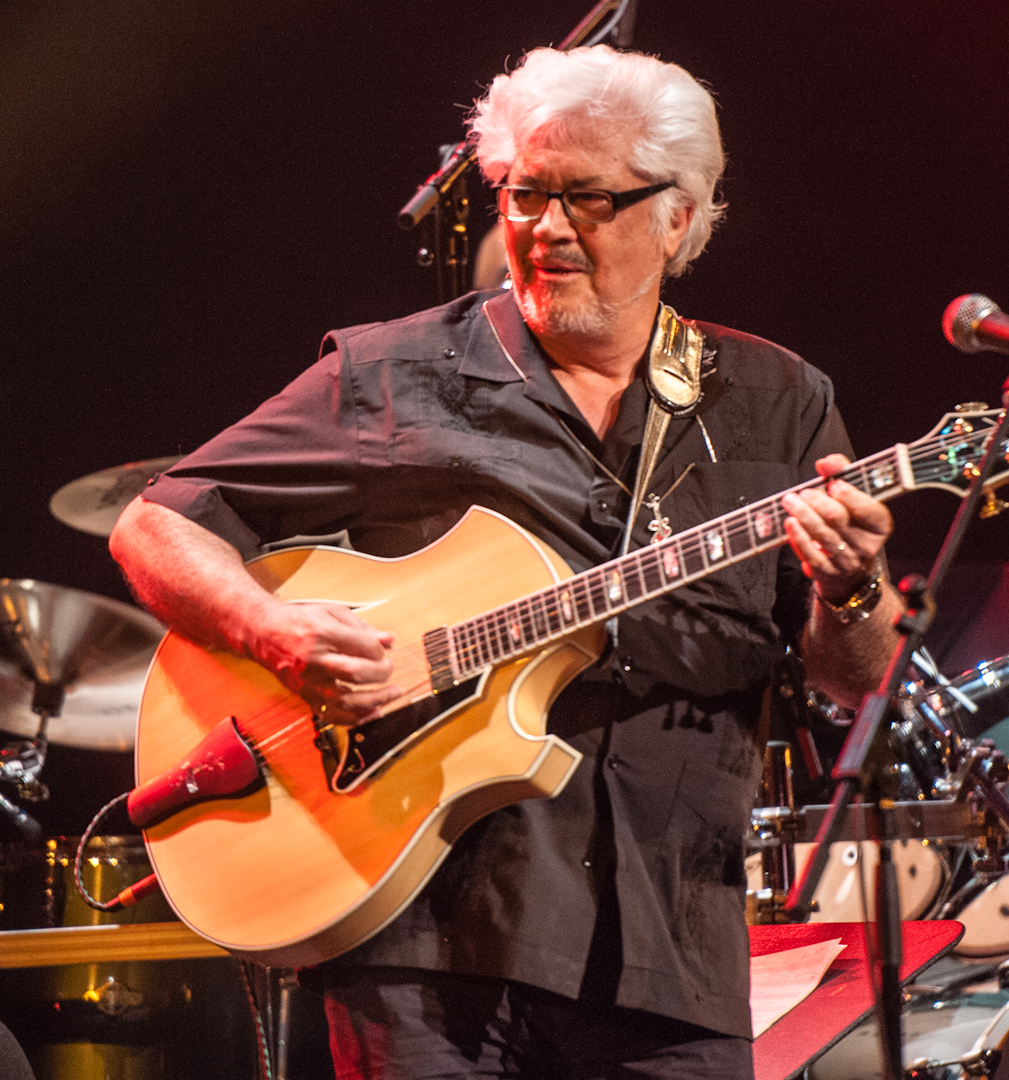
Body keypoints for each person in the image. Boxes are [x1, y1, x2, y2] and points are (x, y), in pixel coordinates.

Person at [110, 45, 902, 1079]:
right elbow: (159, 525)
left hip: (671, 946)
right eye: (524, 194)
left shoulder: (779, 400)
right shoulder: (398, 375)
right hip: (427, 935)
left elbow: (852, 673)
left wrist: (851, 587)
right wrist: (274, 631)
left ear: (682, 214)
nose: (546, 230)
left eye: (588, 198)